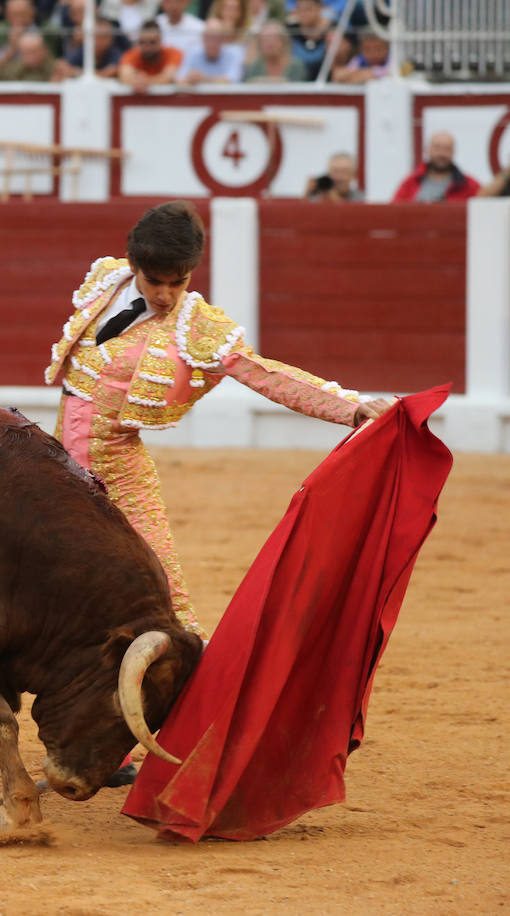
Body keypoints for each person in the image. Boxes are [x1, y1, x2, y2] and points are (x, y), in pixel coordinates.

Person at [43, 200, 394, 635]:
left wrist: (352, 407)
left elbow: (264, 374)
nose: (165, 295)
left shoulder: (198, 326)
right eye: (155, 282)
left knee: (162, 585)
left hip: (120, 470)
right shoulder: (105, 282)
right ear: (134, 264)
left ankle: (189, 684)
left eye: (179, 282)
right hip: (55, 463)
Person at [392, 131, 481, 202]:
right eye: (437, 148)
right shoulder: (410, 183)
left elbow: (484, 205)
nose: (442, 153)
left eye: (447, 149)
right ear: (427, 150)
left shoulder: (469, 185)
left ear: (453, 152)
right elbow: (394, 212)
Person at [117, 19, 181, 90]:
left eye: (152, 42)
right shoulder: (132, 54)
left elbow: (168, 77)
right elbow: (124, 77)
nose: (147, 47)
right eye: (142, 42)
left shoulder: (173, 53)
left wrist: (144, 81)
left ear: (160, 41)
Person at [53, 15, 122, 80]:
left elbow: (112, 72)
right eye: (95, 36)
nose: (99, 41)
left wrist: (77, 73)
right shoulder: (82, 51)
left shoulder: (115, 54)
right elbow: (62, 66)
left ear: (111, 39)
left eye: (104, 37)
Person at [176, 17, 242, 84]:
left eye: (216, 38)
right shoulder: (193, 51)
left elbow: (233, 80)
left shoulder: (234, 53)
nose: (212, 43)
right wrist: (190, 79)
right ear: (203, 38)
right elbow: (179, 79)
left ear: (223, 39)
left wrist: (204, 79)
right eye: (208, 38)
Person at [286, 0, 332, 80]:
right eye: (300, 9)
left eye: (308, 9)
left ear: (319, 8)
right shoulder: (289, 30)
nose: (303, 14)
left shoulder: (331, 30)